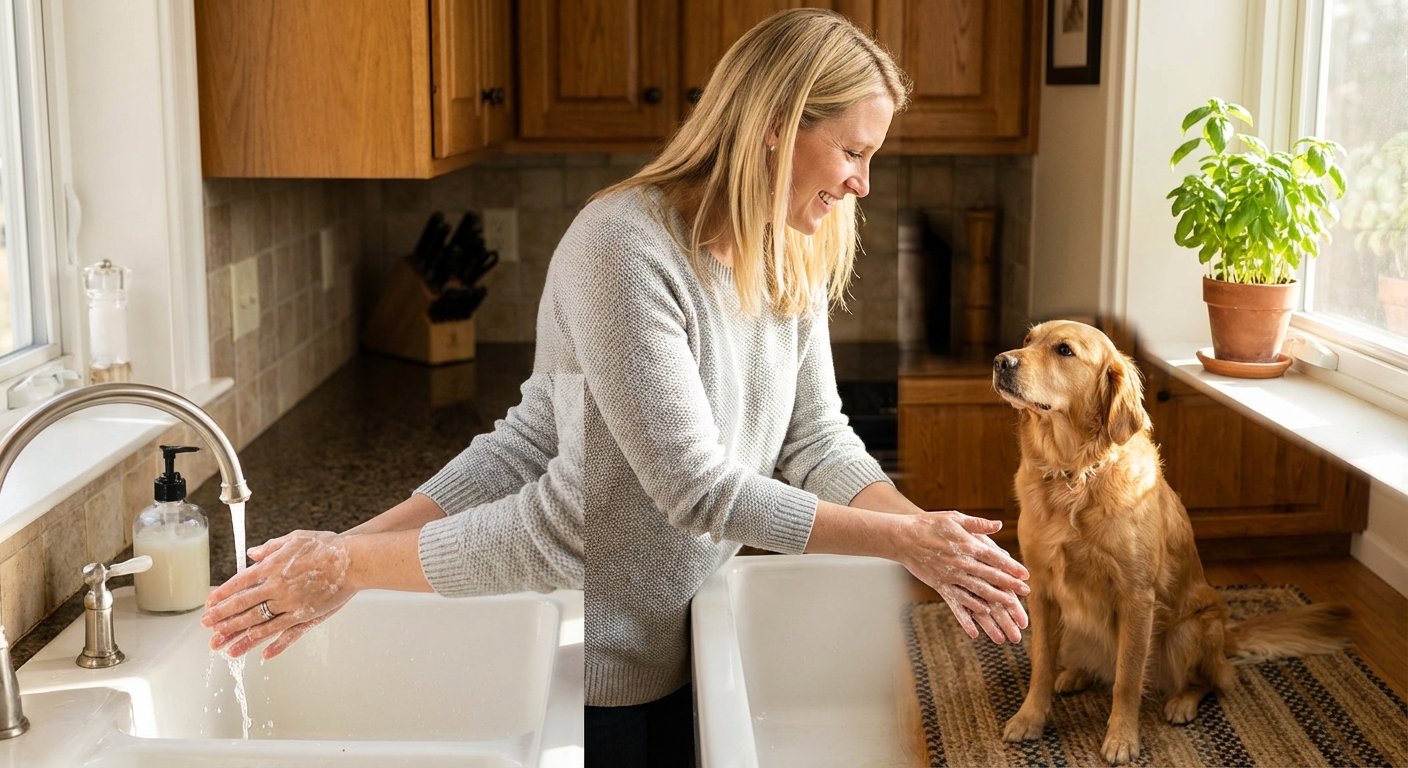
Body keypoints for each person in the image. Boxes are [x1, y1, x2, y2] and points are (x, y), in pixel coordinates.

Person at [201, 8, 1030, 766]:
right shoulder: (623, 247)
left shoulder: (790, 250)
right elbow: (688, 488)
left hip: (692, 627)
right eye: (854, 151)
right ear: (777, 126)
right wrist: (347, 559)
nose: (863, 184)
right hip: (595, 657)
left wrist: (937, 542)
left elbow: (813, 439)